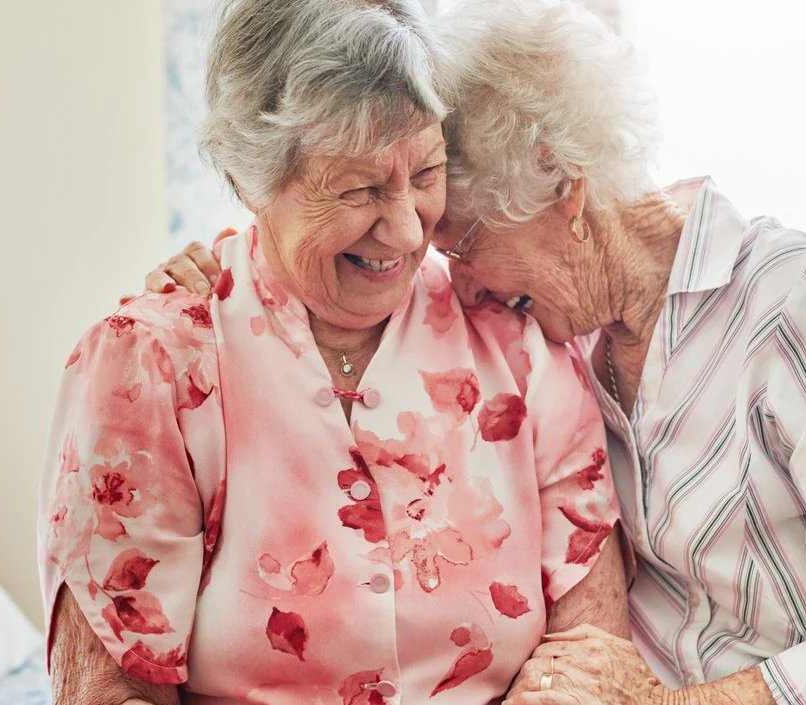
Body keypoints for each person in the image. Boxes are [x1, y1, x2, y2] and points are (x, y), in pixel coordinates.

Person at [151, 0, 806, 702]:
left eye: (465, 246)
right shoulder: (561, 346)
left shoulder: (790, 305)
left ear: (565, 192)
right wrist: (226, 272)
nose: (457, 289)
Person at [37, 1, 630, 704]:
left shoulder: (515, 344)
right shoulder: (153, 366)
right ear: (254, 180)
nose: (408, 229)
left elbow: (592, 653)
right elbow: (110, 688)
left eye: (426, 173)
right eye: (361, 188)